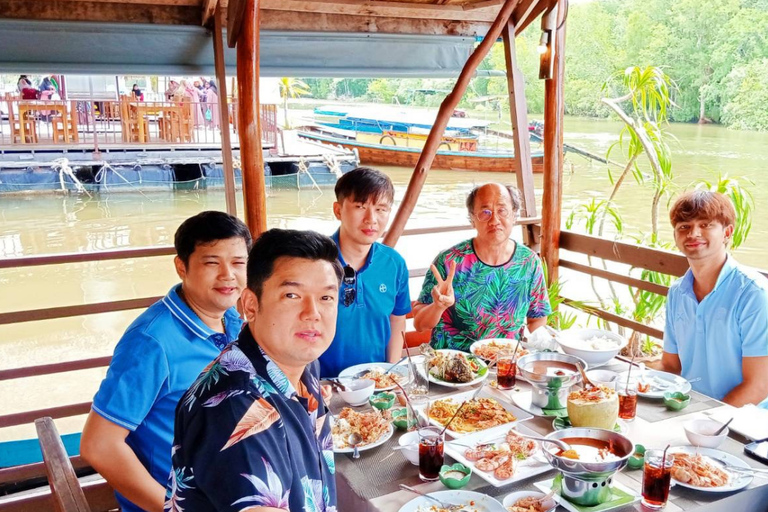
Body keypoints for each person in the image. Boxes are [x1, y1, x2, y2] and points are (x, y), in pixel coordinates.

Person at [80, 211, 251, 512]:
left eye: (238, 263)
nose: (228, 275)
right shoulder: (152, 343)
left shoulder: (231, 320)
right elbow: (99, 445)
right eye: (212, 262)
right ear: (181, 267)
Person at [166, 229, 341, 512]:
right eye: (292, 295)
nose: (313, 313)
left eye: (326, 298)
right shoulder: (234, 406)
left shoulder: (303, 363)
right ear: (250, 305)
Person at [660, 190, 768, 407]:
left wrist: (707, 420)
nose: (693, 234)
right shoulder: (677, 292)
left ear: (727, 233)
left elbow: (759, 385)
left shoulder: (753, 293)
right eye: (684, 227)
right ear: (675, 237)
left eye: (705, 225)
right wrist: (630, 379)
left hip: (745, 423)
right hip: (689, 406)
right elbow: (671, 366)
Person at [413, 183, 551, 351]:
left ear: (514, 215)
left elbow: (537, 318)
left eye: (502, 210)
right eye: (485, 212)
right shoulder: (450, 261)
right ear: (472, 219)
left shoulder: (528, 262)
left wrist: (540, 349)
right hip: (451, 366)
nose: (494, 220)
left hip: (505, 365)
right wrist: (438, 306)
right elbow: (419, 324)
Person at [317, 167, 411, 378]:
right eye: (360, 206)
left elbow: (397, 320)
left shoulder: (394, 263)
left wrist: (390, 372)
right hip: (323, 382)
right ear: (338, 210)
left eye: (381, 209)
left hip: (375, 380)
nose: (371, 219)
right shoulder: (315, 261)